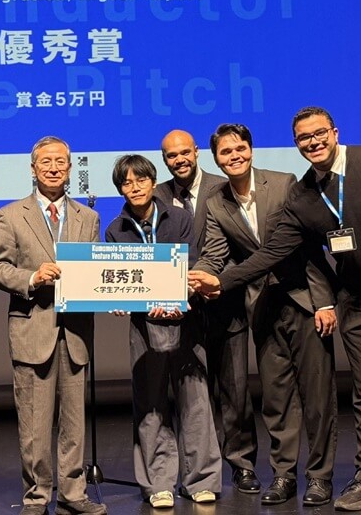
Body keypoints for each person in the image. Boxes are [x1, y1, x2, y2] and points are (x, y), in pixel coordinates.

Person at [189, 107, 361, 515]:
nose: (312, 142)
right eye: (303, 138)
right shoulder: (304, 193)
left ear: (334, 132)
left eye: (318, 133)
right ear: (296, 144)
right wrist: (221, 282)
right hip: (358, 303)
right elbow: (274, 252)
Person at [193, 123, 339, 506]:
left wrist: (324, 301)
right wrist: (200, 276)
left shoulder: (284, 183)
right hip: (261, 305)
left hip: (304, 300)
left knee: (317, 395)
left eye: (240, 148)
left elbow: (310, 247)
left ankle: (320, 477)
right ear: (216, 159)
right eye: (226, 152)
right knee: (276, 398)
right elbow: (214, 252)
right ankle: (284, 475)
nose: (234, 156)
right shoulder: (216, 202)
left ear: (251, 149)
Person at [0, 137, 106, 515]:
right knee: (34, 425)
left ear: (70, 168)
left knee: (74, 424)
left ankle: (73, 495)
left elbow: (96, 272)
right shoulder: (10, 215)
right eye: (46, 162)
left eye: (60, 162)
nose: (53, 168)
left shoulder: (88, 217)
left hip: (76, 332)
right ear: (33, 168)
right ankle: (37, 496)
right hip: (33, 328)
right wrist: (32, 278)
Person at [104, 154, 223, 509]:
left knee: (196, 401)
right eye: (126, 183)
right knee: (150, 404)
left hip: (186, 318)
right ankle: (158, 483)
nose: (134, 187)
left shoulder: (180, 218)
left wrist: (180, 296)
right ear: (120, 190)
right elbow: (118, 282)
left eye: (140, 180)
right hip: (144, 325)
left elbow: (192, 263)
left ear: (153, 182)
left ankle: (201, 479)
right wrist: (118, 300)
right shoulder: (116, 230)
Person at [154, 130, 260, 494]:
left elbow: (242, 244)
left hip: (224, 302)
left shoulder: (224, 185)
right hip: (181, 311)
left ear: (197, 152)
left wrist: (214, 280)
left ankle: (242, 463)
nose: (180, 159)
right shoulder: (157, 195)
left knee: (235, 390)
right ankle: (198, 469)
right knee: (192, 395)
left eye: (185, 152)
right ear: (165, 160)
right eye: (172, 156)